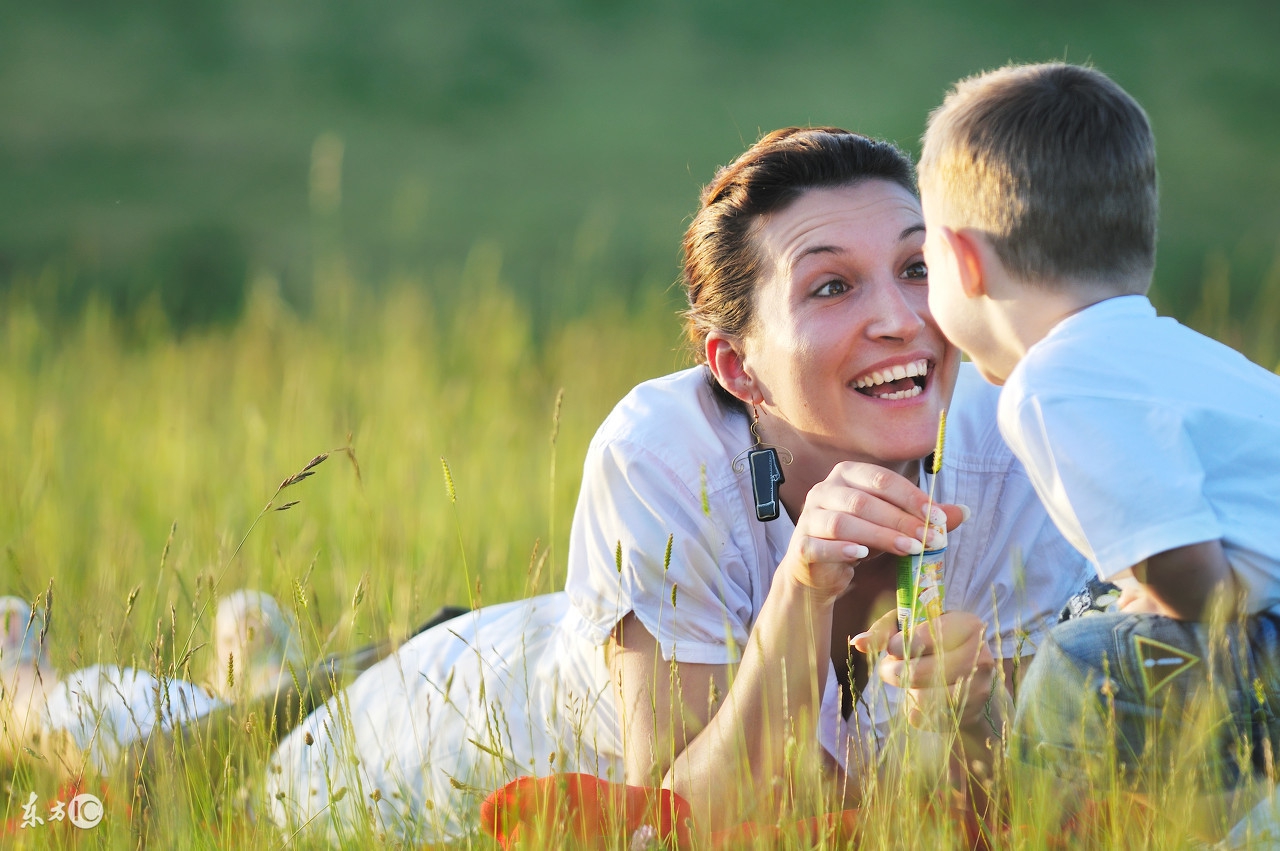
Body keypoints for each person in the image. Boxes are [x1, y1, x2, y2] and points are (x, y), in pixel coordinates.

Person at [264, 127, 1090, 846]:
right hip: (419, 742)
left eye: (917, 267)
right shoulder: (660, 453)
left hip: (559, 626)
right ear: (738, 367)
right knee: (196, 739)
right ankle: (275, 676)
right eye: (832, 286)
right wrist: (801, 587)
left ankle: (273, 657)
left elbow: (1000, 817)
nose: (901, 318)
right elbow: (685, 823)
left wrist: (978, 717)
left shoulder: (1014, 438)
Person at [917, 61, 1280, 814]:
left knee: (1086, 657)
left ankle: (1045, 827)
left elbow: (1187, 568)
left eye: (922, 266)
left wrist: (1174, 601)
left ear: (962, 260)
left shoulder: (1053, 385)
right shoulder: (1167, 351)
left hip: (1266, 643)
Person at [0, 590, 304, 777]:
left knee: (57, 711)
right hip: (131, 747)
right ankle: (17, 688)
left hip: (143, 720)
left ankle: (17, 683)